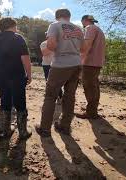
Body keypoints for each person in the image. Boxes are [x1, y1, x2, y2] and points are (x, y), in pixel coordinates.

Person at [35, 9, 84, 137]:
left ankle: (45, 128)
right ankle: (65, 126)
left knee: (50, 96)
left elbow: (51, 45)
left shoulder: (55, 25)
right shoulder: (79, 29)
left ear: (57, 17)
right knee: (70, 95)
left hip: (61, 64)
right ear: (69, 16)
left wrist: (57, 46)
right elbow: (84, 49)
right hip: (77, 64)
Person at [0, 17, 32, 140]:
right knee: (20, 101)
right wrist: (29, 74)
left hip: (0, 76)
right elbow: (25, 58)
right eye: (16, 26)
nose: (16, 28)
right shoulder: (17, 38)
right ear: (13, 26)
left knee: (5, 101)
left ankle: (6, 130)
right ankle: (23, 132)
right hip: (16, 75)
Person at [76, 15, 106, 119]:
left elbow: (86, 46)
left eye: (82, 21)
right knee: (94, 87)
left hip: (89, 63)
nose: (82, 24)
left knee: (89, 88)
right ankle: (93, 110)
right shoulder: (99, 30)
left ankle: (91, 113)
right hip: (97, 63)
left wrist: (79, 62)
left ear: (84, 20)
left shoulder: (89, 28)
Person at [40, 35, 63, 104]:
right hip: (47, 65)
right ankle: (51, 97)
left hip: (57, 65)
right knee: (49, 81)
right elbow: (45, 53)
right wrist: (53, 45)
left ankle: (60, 97)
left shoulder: (60, 43)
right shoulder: (44, 43)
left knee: (57, 82)